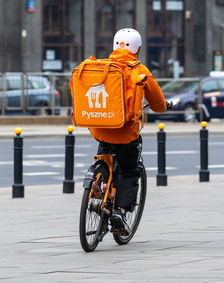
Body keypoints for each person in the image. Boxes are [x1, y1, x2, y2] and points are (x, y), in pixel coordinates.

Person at [89, 28, 169, 234]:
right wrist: (165, 106)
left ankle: (99, 187)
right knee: (129, 169)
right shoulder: (141, 71)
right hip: (126, 133)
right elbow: (158, 103)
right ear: (138, 48)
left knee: (105, 156)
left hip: (100, 128)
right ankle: (121, 212)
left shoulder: (100, 67)